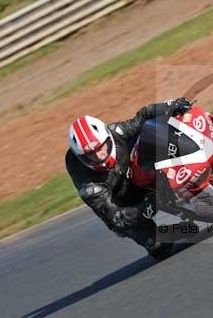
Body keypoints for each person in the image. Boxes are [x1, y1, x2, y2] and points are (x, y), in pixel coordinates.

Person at [65, 98, 192, 259]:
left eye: (100, 147)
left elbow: (143, 117)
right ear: (81, 157)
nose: (99, 156)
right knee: (159, 248)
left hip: (136, 174)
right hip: (124, 203)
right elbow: (118, 218)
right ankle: (180, 229)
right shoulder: (89, 187)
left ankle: (190, 167)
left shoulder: (115, 132)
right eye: (91, 154)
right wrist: (153, 202)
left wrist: (171, 105)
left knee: (151, 134)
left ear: (107, 138)